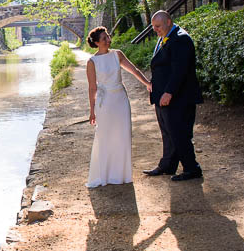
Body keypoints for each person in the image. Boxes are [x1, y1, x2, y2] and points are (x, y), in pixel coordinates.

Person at [86, 27, 152, 188]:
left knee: (123, 135)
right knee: (105, 136)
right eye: (104, 38)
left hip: (121, 100)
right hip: (105, 102)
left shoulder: (117, 54)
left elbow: (134, 70)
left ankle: (121, 175)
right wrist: (92, 111)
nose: (108, 40)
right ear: (96, 43)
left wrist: (148, 84)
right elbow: (92, 88)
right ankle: (105, 175)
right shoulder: (92, 62)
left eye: (108, 36)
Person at [142, 10, 204, 181]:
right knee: (167, 132)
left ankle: (192, 168)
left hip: (179, 97)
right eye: (153, 26)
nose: (155, 29)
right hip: (161, 95)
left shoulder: (181, 38)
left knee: (179, 133)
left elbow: (180, 70)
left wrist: (169, 92)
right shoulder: (165, 36)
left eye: (158, 26)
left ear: (168, 21)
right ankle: (167, 165)